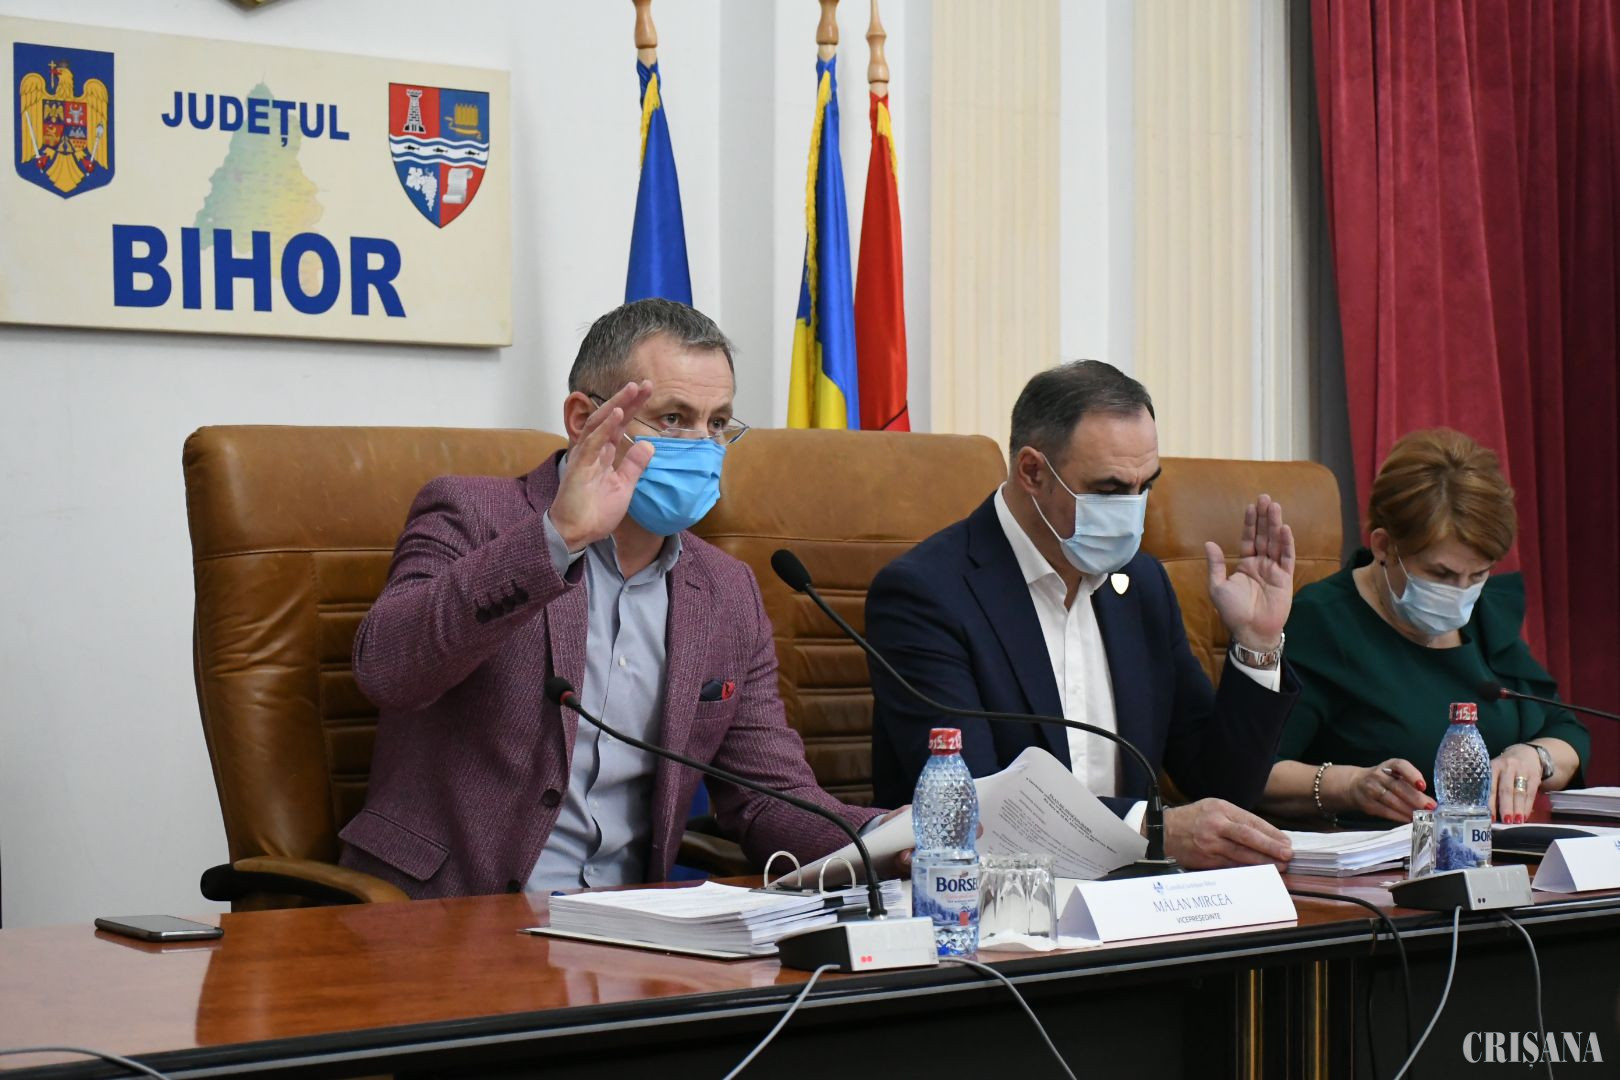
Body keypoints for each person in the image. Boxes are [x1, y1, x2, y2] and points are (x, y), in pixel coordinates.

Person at [340, 299, 886, 899]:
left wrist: (883, 837)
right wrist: (556, 538)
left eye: (718, 423)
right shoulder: (472, 514)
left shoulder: (727, 591)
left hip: (627, 928)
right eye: (673, 418)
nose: (703, 445)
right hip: (447, 912)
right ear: (583, 418)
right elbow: (387, 670)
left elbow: (768, 795)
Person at [867, 360, 1301, 871]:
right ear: (1032, 472)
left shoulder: (1140, 585)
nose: (1133, 510)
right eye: (1111, 490)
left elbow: (1221, 788)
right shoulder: (926, 593)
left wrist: (1256, 642)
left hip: (1136, 895)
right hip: (990, 899)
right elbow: (975, 806)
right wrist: (1151, 827)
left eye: (1145, 486)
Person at [1261, 428, 1588, 827]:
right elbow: (1254, 773)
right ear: (1383, 546)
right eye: (1441, 574)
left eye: (1478, 574)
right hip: (1378, 857)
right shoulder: (1322, 623)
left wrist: (1535, 757)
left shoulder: (1484, 613)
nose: (1461, 593)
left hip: (1495, 852)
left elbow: (1567, 732)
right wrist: (1350, 785)